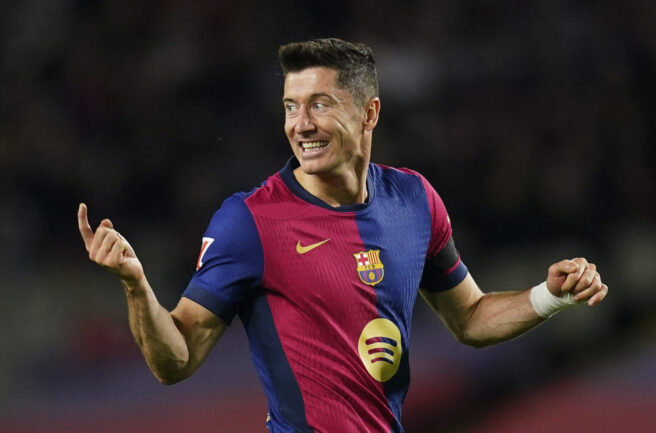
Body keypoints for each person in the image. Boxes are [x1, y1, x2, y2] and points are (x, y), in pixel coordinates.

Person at [77, 38, 608, 433]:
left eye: (320, 104)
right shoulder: (251, 220)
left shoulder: (415, 201)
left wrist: (549, 297)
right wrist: (135, 284)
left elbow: (468, 318)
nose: (300, 124)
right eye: (291, 106)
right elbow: (177, 361)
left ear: (369, 112)